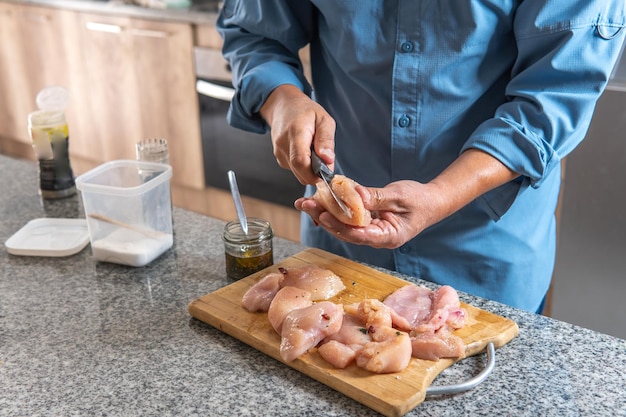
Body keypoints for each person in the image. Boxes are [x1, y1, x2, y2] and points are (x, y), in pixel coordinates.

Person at [217, 1, 626, 313]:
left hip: (485, 259)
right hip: (341, 253)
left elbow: (553, 95)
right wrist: (282, 100)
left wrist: (440, 197)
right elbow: (255, 35)